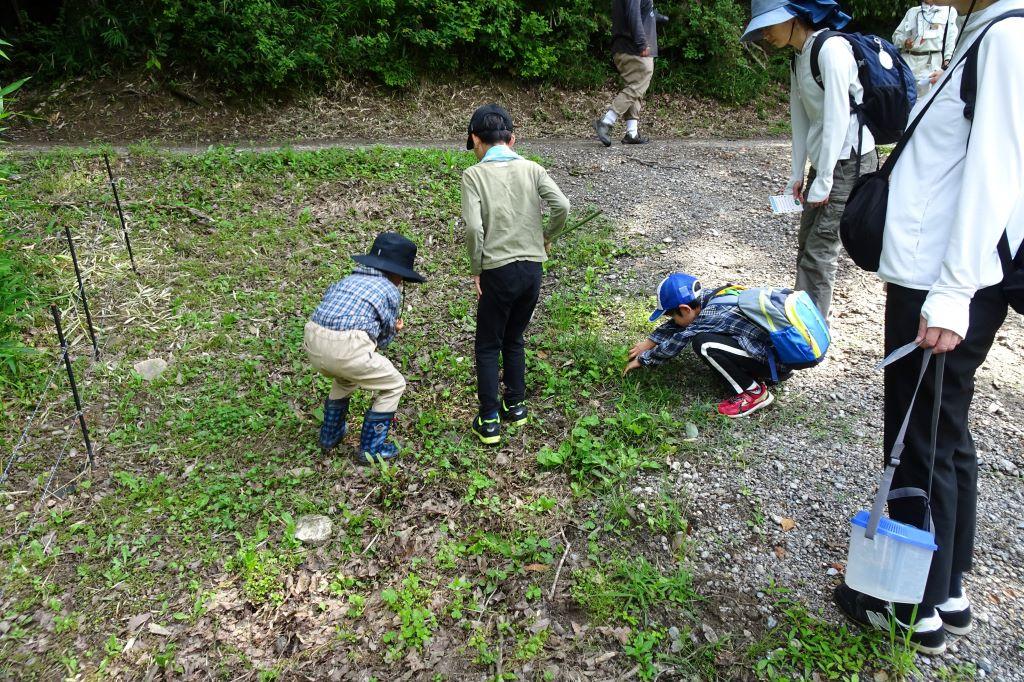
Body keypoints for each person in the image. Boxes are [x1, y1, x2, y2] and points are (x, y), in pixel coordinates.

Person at [832, 0, 1024, 655]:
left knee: (920, 438)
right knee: (943, 432)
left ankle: (911, 607)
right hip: (943, 273)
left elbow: (999, 169)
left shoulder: (1006, 35)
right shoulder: (988, 33)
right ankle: (947, 590)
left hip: (940, 280)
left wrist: (952, 293)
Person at [741, 0, 878, 320]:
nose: (765, 35)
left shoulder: (831, 50)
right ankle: (802, 318)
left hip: (850, 161)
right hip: (827, 162)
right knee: (806, 243)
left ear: (793, 17)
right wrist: (797, 174)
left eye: (768, 25)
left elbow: (837, 117)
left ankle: (810, 332)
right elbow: (801, 121)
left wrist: (826, 178)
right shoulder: (799, 59)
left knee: (820, 250)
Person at [462, 104, 571, 445]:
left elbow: (474, 229)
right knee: (515, 337)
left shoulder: (474, 176)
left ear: (476, 139)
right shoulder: (533, 169)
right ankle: (517, 406)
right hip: (532, 269)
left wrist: (476, 268)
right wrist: (546, 238)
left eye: (474, 145)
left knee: (487, 343)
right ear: (512, 139)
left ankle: (490, 419)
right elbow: (562, 206)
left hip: (498, 269)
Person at [304, 232, 425, 464]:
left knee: (345, 377)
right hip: (348, 347)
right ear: (396, 272)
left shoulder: (346, 280)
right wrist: (395, 330)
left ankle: (330, 435)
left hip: (313, 341)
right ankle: (371, 449)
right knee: (394, 384)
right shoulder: (388, 289)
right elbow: (383, 340)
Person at [624, 273, 789, 418]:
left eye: (673, 316)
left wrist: (644, 360)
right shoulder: (711, 296)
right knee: (704, 336)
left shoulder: (709, 316)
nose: (673, 321)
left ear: (685, 308)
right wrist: (649, 342)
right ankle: (749, 371)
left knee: (703, 343)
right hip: (776, 352)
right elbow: (682, 322)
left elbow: (678, 339)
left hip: (776, 364)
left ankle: (754, 393)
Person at [592, 0, 668, 146]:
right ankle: (606, 121)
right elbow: (632, 13)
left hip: (625, 46)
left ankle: (631, 133)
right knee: (638, 83)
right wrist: (642, 42)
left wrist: (654, 15)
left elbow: (637, 11)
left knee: (635, 85)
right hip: (633, 47)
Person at [893, 0, 959, 96]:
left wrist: (947, 63)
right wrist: (904, 42)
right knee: (903, 96)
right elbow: (896, 36)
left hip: (931, 63)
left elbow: (951, 40)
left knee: (925, 98)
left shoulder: (949, 11)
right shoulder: (913, 11)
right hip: (908, 61)